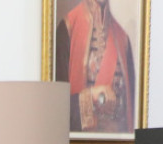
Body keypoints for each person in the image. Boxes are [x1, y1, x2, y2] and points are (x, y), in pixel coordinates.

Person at [54, 0, 136, 134]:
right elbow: (56, 109)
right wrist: (91, 97)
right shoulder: (67, 28)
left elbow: (130, 116)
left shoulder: (123, 40)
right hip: (79, 143)